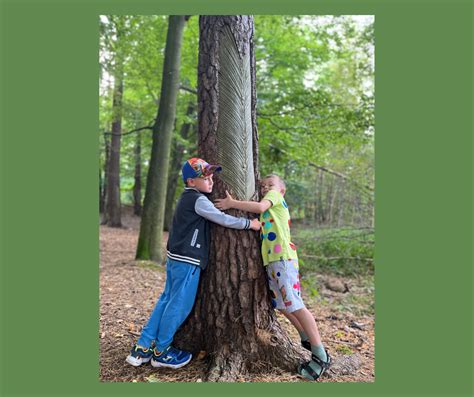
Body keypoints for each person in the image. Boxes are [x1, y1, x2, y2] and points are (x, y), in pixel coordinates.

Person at [126, 157, 260, 369]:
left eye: (211, 176)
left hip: (176, 258)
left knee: (166, 300)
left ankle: (142, 348)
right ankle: (161, 352)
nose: (211, 180)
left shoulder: (187, 198)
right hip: (187, 259)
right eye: (204, 177)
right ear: (191, 182)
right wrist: (248, 224)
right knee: (179, 305)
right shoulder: (198, 200)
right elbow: (222, 219)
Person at [215, 174, 331, 381]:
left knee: (295, 304)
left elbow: (259, 208)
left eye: (271, 185)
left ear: (281, 190)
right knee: (281, 304)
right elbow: (260, 218)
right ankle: (304, 336)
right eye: (263, 186)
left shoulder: (275, 198)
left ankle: (320, 354)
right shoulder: (269, 208)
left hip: (283, 259)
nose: (266, 188)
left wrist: (232, 203)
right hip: (272, 261)